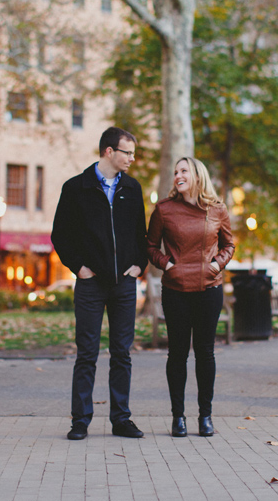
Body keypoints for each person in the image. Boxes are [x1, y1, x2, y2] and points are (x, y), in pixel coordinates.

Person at [51, 127, 148, 441]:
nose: (132, 158)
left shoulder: (132, 189)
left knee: (122, 353)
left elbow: (140, 235)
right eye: (127, 152)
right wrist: (79, 268)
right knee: (87, 353)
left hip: (124, 285)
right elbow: (60, 235)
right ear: (109, 151)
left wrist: (138, 266)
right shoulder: (76, 188)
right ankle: (80, 421)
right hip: (91, 285)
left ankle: (121, 420)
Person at [146, 157, 235, 437]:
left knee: (205, 354)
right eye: (175, 172)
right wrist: (166, 264)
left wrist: (217, 264)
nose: (177, 176)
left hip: (209, 289)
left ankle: (205, 417)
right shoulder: (163, 209)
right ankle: (178, 417)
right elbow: (149, 246)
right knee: (177, 354)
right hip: (175, 291)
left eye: (183, 171)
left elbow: (229, 244)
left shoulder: (217, 209)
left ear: (197, 175)